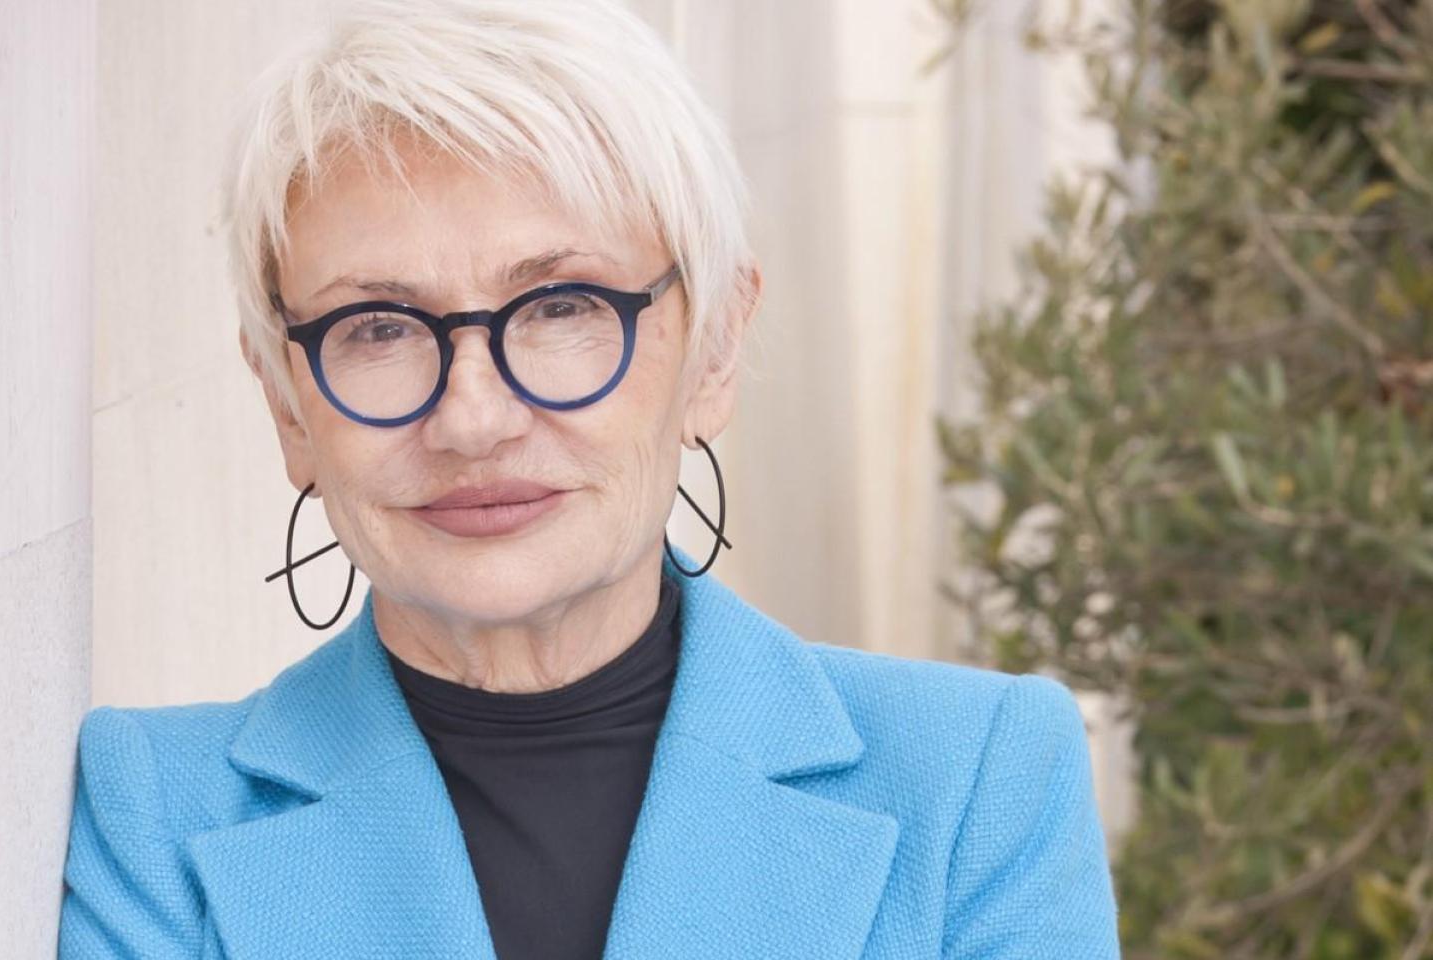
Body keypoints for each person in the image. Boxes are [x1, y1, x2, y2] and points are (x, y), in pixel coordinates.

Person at [56, 1, 1121, 957]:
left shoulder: (973, 781)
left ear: (714, 351)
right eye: (377, 327)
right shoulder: (156, 818)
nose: (472, 418)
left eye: (561, 307)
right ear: (288, 405)